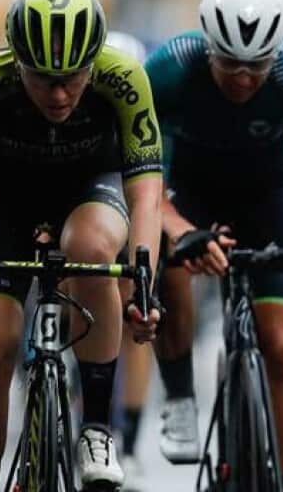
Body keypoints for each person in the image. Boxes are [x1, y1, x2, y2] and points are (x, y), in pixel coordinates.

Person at [0, 0, 163, 491]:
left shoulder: (125, 77)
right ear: (17, 61)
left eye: (73, 78)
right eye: (42, 79)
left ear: (94, 61)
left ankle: (98, 429)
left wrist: (144, 279)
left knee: (90, 248)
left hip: (90, 192)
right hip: (7, 205)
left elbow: (146, 191)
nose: (59, 94)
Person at [145, 0, 283, 492]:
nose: (243, 78)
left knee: (282, 348)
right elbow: (143, 183)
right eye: (230, 64)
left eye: (256, 67)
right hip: (183, 194)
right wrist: (180, 231)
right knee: (166, 267)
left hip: (267, 200)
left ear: (276, 55)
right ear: (208, 47)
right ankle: (179, 396)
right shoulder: (168, 69)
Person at [102, 30, 154, 489]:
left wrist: (144, 283)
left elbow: (152, 202)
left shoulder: (145, 120)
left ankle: (131, 442)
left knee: (132, 308)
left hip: (126, 213)